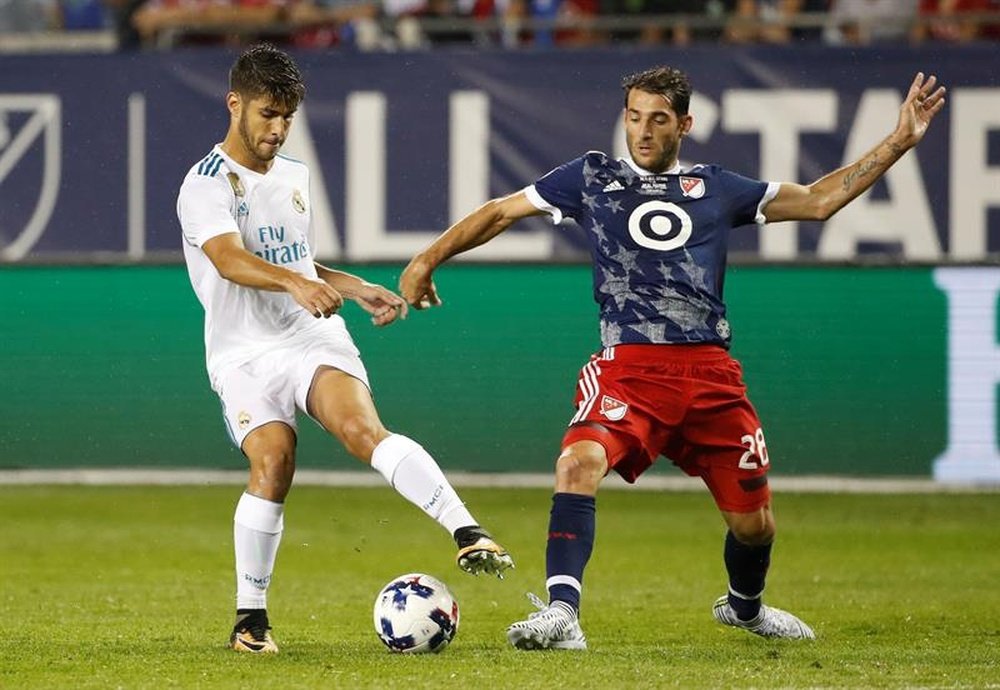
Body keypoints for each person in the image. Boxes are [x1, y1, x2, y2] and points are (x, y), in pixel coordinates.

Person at [399, 65, 945, 650]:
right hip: (629, 368)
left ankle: (745, 608)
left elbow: (816, 202)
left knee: (754, 526)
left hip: (710, 374)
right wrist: (426, 259)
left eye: (658, 120)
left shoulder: (717, 189)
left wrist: (899, 140)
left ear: (684, 124)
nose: (643, 131)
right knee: (577, 463)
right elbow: (501, 210)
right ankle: (563, 612)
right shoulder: (590, 177)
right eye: (634, 117)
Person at [176, 43, 513, 654]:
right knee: (273, 462)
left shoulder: (294, 177)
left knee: (363, 431)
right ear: (235, 105)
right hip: (242, 354)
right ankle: (250, 620)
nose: (277, 130)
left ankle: (467, 530)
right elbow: (227, 259)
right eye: (266, 115)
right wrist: (296, 282)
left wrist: (354, 289)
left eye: (287, 118)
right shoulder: (205, 184)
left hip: (309, 333)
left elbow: (297, 261)